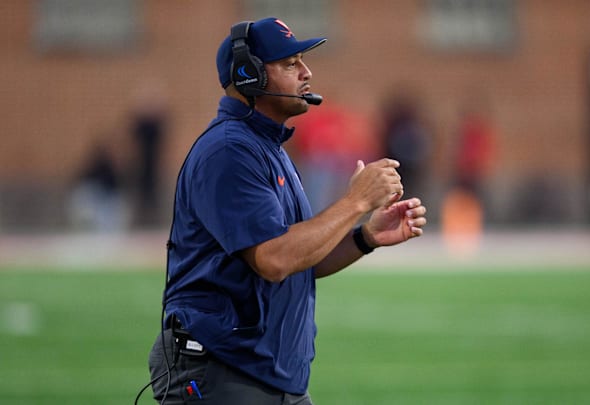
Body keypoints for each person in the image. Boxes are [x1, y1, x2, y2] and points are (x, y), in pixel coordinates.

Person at [146, 17, 427, 404]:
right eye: (290, 64)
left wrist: (365, 237)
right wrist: (356, 201)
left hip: (266, 372)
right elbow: (274, 259)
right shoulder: (230, 150)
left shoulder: (267, 147)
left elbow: (300, 258)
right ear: (250, 75)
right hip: (223, 370)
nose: (306, 72)